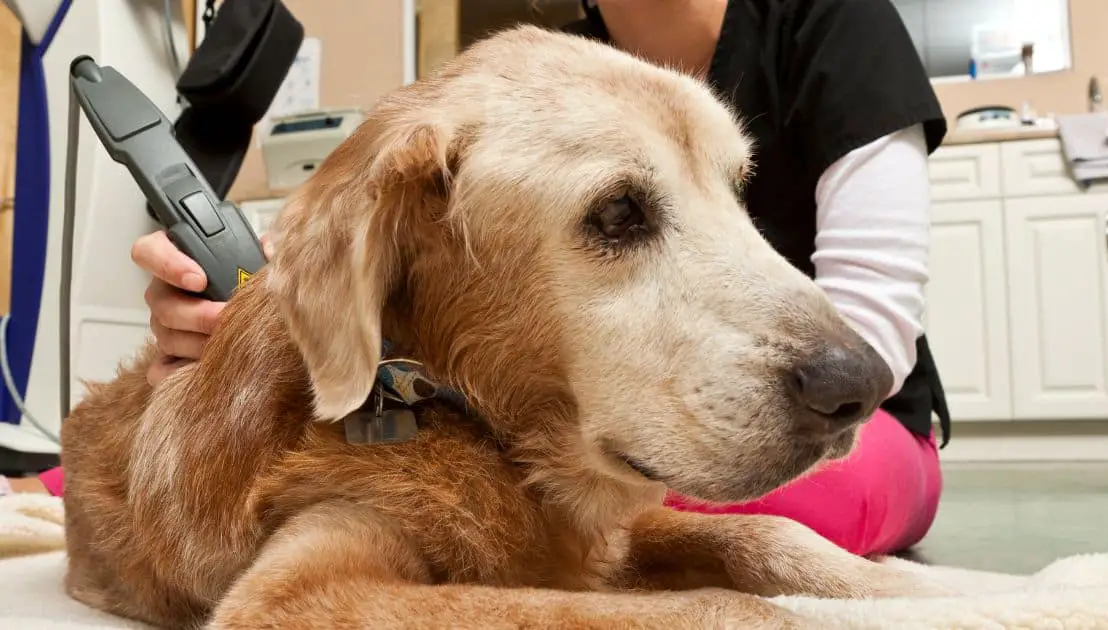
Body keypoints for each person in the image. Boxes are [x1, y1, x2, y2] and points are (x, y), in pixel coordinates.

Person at [11, 0, 952, 558]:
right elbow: (441, 297)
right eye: (619, 214)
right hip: (557, 432)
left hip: (863, 422)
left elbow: (868, 336)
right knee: (426, 469)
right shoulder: (558, 65)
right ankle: (52, 486)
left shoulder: (834, 19)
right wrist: (259, 312)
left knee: (485, 499)